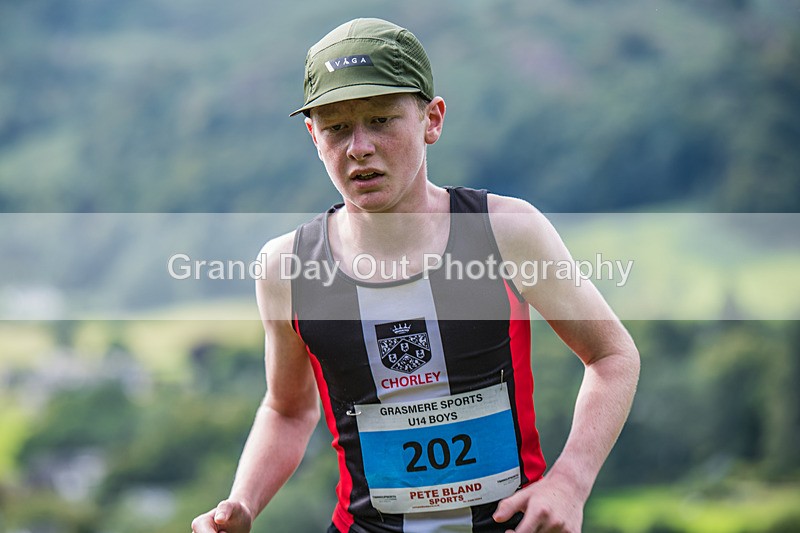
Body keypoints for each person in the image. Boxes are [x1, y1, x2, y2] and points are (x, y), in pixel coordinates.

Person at [191, 18, 639, 533]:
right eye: (336, 127)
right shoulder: (285, 267)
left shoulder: (505, 230)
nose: (359, 147)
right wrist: (243, 503)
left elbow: (612, 356)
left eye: (380, 119)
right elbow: (288, 411)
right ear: (313, 136)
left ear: (432, 119)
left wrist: (571, 481)